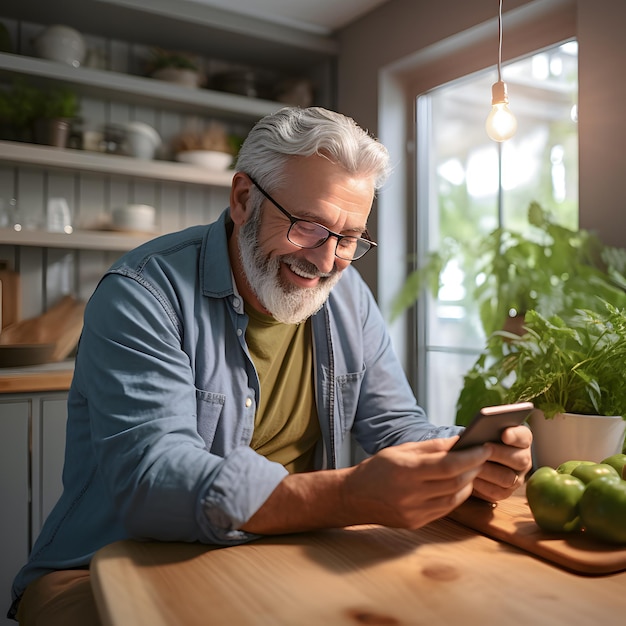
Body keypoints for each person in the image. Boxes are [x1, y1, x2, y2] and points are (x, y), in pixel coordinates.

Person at [9, 106, 532, 624]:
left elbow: (398, 427)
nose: (327, 262)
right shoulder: (144, 294)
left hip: (280, 553)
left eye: (348, 239)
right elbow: (154, 480)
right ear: (243, 199)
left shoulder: (350, 299)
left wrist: (466, 454)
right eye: (309, 226)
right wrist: (349, 496)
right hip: (105, 566)